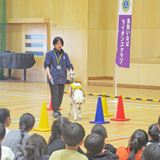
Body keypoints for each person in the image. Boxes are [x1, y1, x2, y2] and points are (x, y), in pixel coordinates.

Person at [44, 37, 74, 118]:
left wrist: (71, 73)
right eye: (57, 43)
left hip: (62, 78)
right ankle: (55, 111)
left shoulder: (65, 55)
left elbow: (69, 65)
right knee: (55, 94)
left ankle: (57, 109)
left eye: (60, 43)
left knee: (60, 95)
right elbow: (47, 65)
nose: (59, 45)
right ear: (54, 44)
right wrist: (49, 74)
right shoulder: (50, 54)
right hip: (53, 78)